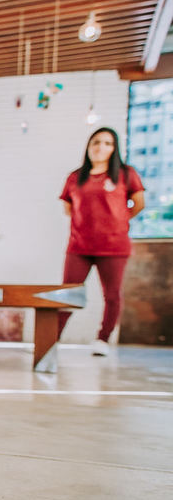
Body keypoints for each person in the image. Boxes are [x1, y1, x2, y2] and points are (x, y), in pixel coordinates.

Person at [58, 127, 145, 356]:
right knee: (67, 292)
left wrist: (117, 220)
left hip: (114, 246)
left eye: (107, 143)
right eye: (96, 142)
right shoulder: (75, 177)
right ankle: (51, 338)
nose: (101, 147)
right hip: (79, 245)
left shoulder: (126, 174)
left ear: (114, 148)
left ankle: (102, 339)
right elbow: (68, 207)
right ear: (89, 146)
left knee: (112, 294)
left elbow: (138, 203)